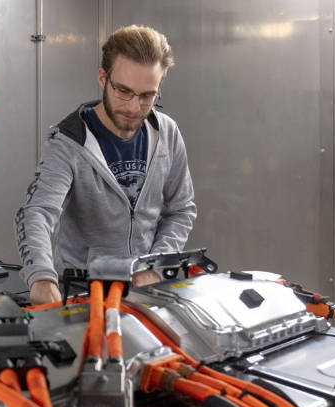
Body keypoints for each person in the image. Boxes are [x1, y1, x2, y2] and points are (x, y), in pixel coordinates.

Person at [14, 25, 197, 305]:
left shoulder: (167, 133)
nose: (135, 107)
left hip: (147, 290)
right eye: (124, 91)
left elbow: (181, 210)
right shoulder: (69, 142)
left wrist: (154, 265)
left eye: (148, 95)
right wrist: (41, 277)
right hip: (86, 294)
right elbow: (37, 212)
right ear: (103, 78)